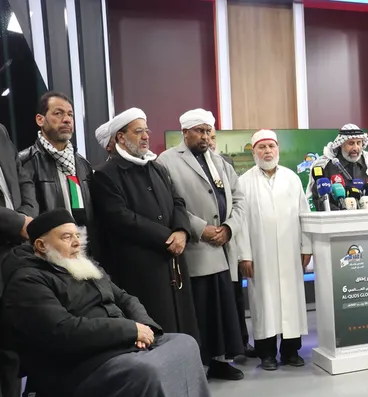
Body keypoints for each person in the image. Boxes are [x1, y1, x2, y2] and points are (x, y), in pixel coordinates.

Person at [1, 209, 218, 397]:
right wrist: (129, 331)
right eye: (66, 237)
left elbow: (125, 298)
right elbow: (64, 331)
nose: (76, 242)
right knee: (145, 372)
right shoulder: (27, 280)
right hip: (73, 366)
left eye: (77, 236)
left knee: (185, 346)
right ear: (41, 245)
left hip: (116, 346)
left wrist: (146, 329)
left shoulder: (84, 264)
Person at [91, 107, 201, 371]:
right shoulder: (106, 174)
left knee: (182, 324)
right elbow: (121, 218)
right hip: (142, 267)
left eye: (146, 130)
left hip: (173, 259)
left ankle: (186, 372)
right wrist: (167, 237)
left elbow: (178, 202)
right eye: (138, 131)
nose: (145, 136)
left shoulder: (156, 168)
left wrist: (182, 231)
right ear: (120, 137)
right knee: (156, 326)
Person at [17, 91, 97, 397]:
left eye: (70, 114)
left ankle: (90, 389)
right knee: (55, 330)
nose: (66, 120)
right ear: (40, 120)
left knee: (87, 321)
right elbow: (29, 217)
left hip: (83, 253)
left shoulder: (81, 163)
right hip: (48, 258)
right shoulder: (26, 162)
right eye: (58, 113)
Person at [157, 109, 246, 381]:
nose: (205, 136)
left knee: (223, 309)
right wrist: (200, 229)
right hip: (196, 249)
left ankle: (221, 361)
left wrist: (229, 228)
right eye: (199, 131)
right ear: (185, 132)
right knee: (200, 310)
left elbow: (239, 199)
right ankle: (198, 364)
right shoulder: (167, 161)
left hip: (223, 247)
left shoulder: (220, 161)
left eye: (208, 131)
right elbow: (169, 203)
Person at [0, 121, 57, 397]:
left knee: (8, 346)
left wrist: (26, 216)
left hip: (11, 251)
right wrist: (16, 222)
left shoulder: (2, 132)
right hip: (9, 233)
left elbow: (21, 179)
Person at [235, 130, 311, 371]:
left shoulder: (292, 178)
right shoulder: (243, 182)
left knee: (291, 301)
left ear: (277, 149)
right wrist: (244, 255)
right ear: (254, 152)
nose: (267, 151)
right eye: (262, 147)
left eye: (271, 146)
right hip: (260, 255)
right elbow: (240, 222)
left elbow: (304, 214)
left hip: (290, 252)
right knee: (263, 304)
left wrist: (306, 246)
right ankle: (266, 354)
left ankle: (291, 351)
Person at [209, 126, 253, 357]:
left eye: (213, 137)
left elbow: (236, 200)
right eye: (206, 136)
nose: (210, 141)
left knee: (236, 295)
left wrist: (228, 228)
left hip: (229, 238)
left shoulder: (225, 163)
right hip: (206, 241)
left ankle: (241, 343)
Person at [308, 124, 368, 211]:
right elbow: (319, 200)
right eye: (351, 143)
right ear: (341, 144)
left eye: (358, 143)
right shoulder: (327, 166)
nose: (356, 148)